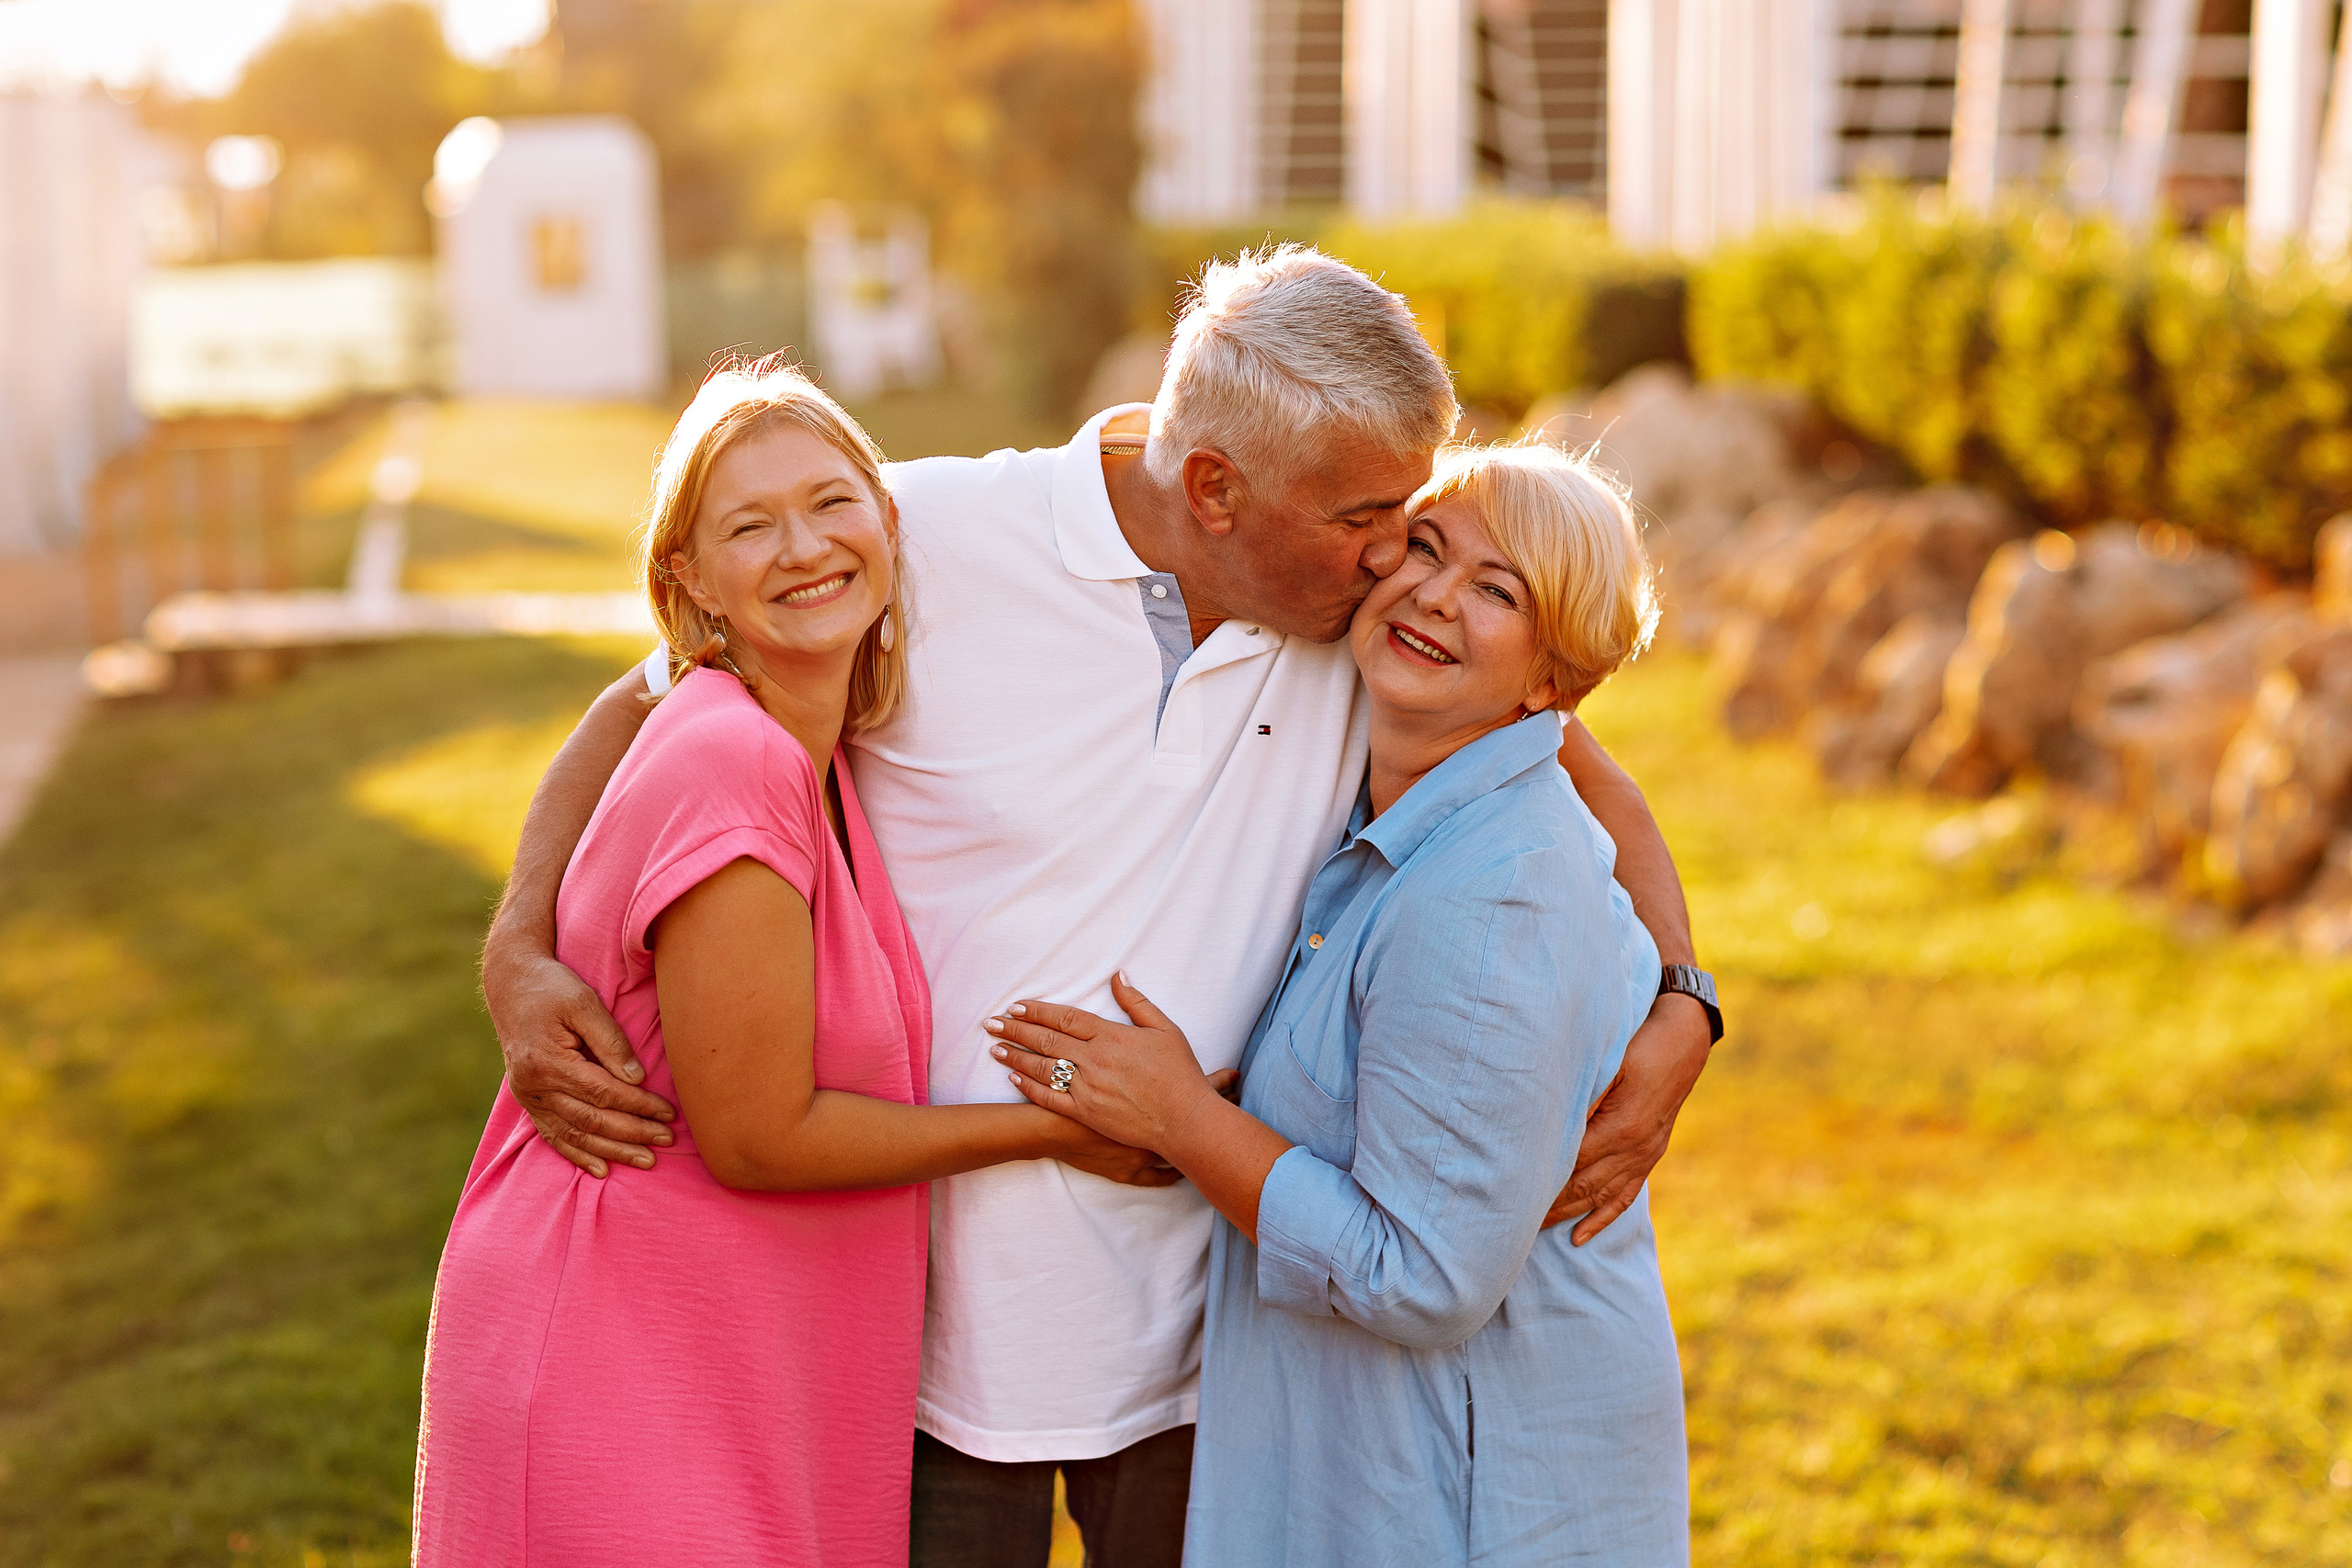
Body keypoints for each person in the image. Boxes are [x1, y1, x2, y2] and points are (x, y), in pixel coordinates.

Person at [480, 248, 1720, 1568]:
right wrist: (515, 944)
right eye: (1365, 514)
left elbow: (1575, 763)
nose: (1396, 554)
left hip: (1222, 1345)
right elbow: (659, 691)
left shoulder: (1368, 619)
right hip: (938, 1346)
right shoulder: (924, 538)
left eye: (1406, 513)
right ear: (1216, 490)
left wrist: (1685, 999)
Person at [412, 363, 1170, 1567]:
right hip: (621, 1357)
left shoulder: (816, 744)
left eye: (831, 502)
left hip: (708, 1354)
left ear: (887, 518)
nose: (803, 545)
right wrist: (1062, 1126)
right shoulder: (737, 761)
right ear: (690, 582)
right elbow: (761, 1133)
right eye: (749, 525)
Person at [989, 443, 1689, 1564]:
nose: (1434, 595)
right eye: (1425, 547)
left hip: (1480, 1485)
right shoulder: (1396, 793)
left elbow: (1422, 1274)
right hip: (1373, 1455)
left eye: (1495, 589)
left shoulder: (1494, 890)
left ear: (1551, 683)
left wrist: (1178, 1115)